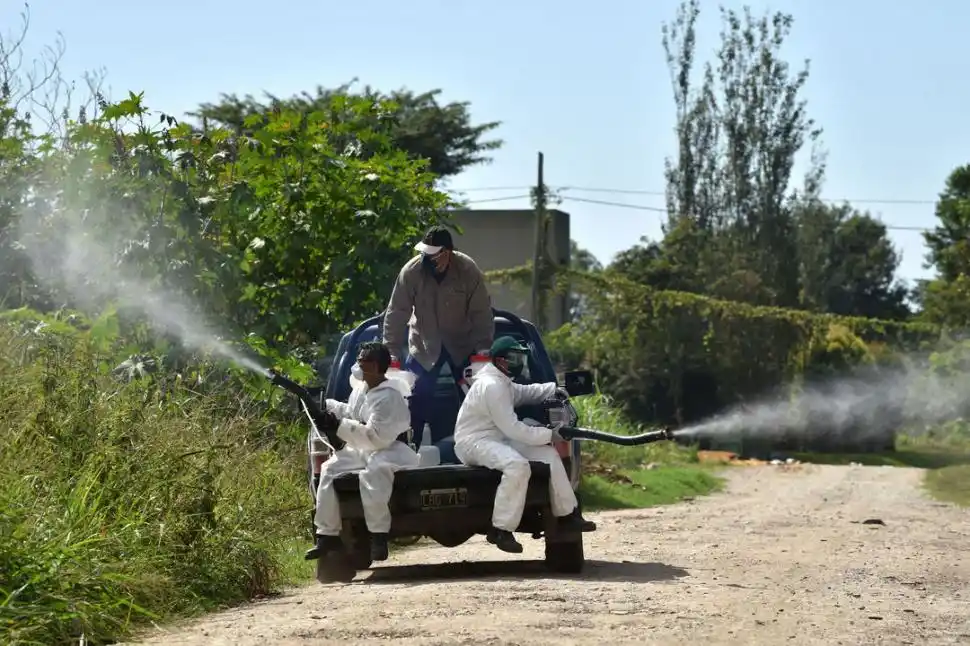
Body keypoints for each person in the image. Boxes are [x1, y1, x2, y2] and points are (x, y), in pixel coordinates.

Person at [453, 336, 596, 554]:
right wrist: (550, 434)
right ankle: (500, 529)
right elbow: (514, 429)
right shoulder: (492, 386)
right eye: (514, 357)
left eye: (520, 356)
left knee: (548, 455)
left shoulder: (502, 382)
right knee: (517, 465)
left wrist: (555, 389)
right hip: (474, 442)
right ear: (500, 360)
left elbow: (524, 393)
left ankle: (567, 516)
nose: (518, 361)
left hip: (497, 437)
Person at [304, 341, 419, 562]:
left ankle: (378, 535)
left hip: (388, 449)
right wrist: (326, 406)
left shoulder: (389, 398)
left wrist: (338, 425)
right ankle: (327, 535)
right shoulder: (362, 389)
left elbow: (375, 437)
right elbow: (352, 412)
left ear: (375, 366)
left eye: (362, 361)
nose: (357, 364)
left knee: (374, 473)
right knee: (330, 469)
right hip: (364, 448)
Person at [382, 225, 494, 442]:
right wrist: (391, 352)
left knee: (475, 397)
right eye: (425, 252)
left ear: (447, 253)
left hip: (461, 345)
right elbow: (396, 312)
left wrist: (483, 349)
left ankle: (476, 443)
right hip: (424, 346)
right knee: (414, 398)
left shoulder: (467, 270)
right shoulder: (411, 272)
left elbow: (481, 312)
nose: (427, 258)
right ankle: (408, 446)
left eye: (433, 254)